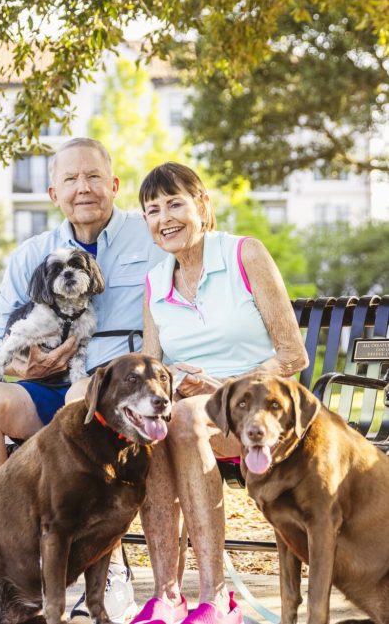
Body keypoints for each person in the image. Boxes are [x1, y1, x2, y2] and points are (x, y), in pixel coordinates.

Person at [0, 137, 165, 624]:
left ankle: (107, 566)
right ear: (53, 193)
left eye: (94, 177)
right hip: (45, 386)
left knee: (81, 397)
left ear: (114, 186)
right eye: (70, 179)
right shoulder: (31, 255)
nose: (83, 188)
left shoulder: (152, 237)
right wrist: (19, 365)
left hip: (117, 392)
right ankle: (9, 565)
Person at [131, 162, 308, 624]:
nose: (165, 217)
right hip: (192, 412)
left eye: (175, 203)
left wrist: (229, 390)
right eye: (153, 210)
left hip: (263, 407)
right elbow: (153, 368)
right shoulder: (154, 283)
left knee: (186, 420)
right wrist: (170, 377)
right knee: (155, 426)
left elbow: (293, 354)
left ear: (202, 205)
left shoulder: (244, 254)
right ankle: (167, 595)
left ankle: (216, 596)